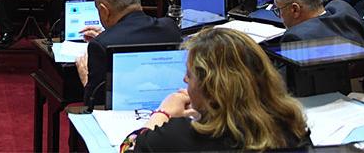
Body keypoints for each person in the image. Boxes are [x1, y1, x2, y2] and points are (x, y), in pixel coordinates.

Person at [120, 27, 310, 152]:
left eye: (190, 75)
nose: (185, 79)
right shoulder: (292, 127)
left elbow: (128, 148)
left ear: (211, 87)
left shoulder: (180, 136)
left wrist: (162, 113)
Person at [77, 0, 182, 107]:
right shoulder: (170, 27)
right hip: (170, 114)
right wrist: (106, 37)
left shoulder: (100, 45)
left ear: (104, 10)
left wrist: (85, 79)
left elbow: (96, 104)